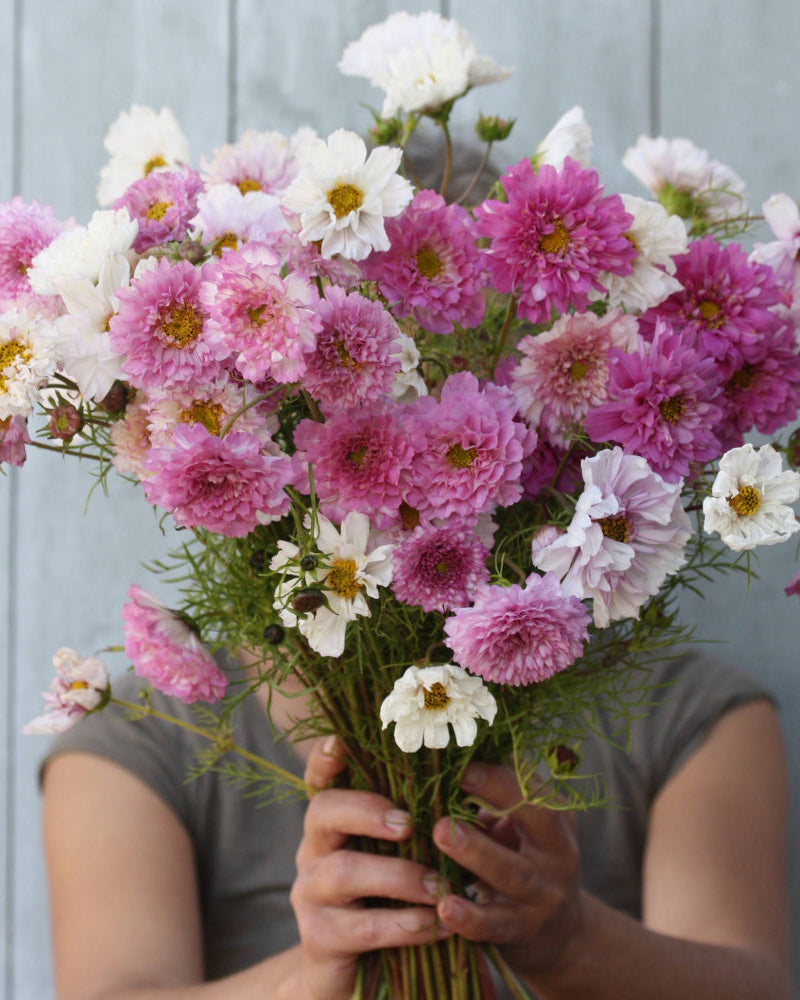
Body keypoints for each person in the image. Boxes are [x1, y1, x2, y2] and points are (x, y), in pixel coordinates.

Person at [40, 647, 790, 1000]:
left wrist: (573, 943)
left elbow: (758, 986)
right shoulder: (135, 737)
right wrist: (308, 978)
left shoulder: (686, 708)